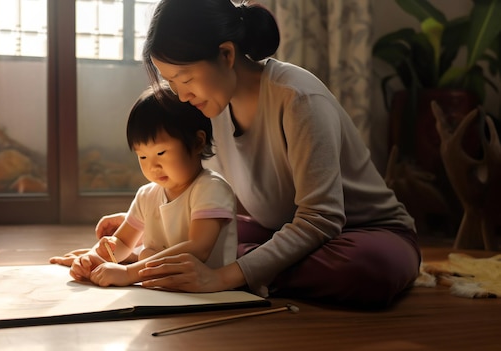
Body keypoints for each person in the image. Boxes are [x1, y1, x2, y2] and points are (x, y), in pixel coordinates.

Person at [90, 0, 421, 308]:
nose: (182, 95)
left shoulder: (296, 97)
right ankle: (238, 264)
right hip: (277, 227)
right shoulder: (212, 105)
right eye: (172, 83)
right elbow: (213, 194)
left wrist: (220, 277)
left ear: (226, 54)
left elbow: (321, 218)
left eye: (186, 78)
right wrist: (153, 224)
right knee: (210, 238)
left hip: (363, 233)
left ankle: (240, 267)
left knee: (366, 270)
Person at [50, 87, 237, 287]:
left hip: (208, 292)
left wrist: (129, 273)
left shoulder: (210, 188)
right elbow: (122, 242)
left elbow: (199, 248)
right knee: (144, 253)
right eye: (143, 156)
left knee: (144, 255)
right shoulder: (147, 194)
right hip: (163, 289)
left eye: (161, 153)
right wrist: (95, 257)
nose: (152, 166)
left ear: (198, 142)